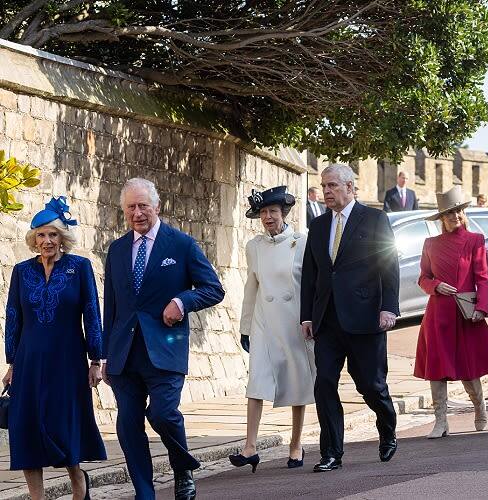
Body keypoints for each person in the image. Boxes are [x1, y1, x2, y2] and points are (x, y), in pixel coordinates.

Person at [102, 178, 225, 500]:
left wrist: (182, 302)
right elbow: (111, 306)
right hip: (124, 354)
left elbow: (213, 289)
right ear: (124, 211)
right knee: (128, 425)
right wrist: (102, 356)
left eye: (144, 206)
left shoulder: (181, 244)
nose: (138, 213)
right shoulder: (116, 250)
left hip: (165, 350)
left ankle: (182, 468)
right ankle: (145, 492)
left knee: (162, 414)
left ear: (157, 207)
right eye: (131, 207)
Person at [3, 197, 106, 500]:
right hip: (29, 360)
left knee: (65, 426)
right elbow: (13, 318)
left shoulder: (80, 267)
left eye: (53, 234)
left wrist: (96, 359)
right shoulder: (22, 272)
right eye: (41, 235)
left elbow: (92, 313)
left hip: (68, 360)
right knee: (26, 429)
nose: (47, 241)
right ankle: (37, 497)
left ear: (63, 238)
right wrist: (12, 363)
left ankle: (78, 482)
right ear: (33, 240)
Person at [300, 164, 400, 472]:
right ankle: (331, 452)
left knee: (370, 385)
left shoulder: (373, 219)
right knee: (324, 383)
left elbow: (388, 264)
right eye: (324, 186)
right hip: (327, 320)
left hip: (366, 316)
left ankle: (386, 426)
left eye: (332, 186)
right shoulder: (317, 226)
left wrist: (388, 307)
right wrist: (307, 316)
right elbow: (310, 275)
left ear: (350, 187)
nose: (327, 191)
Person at [415, 186, 488, 439]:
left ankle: (480, 408)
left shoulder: (475, 241)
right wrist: (435, 286)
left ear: (463, 213)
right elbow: (423, 278)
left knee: (469, 369)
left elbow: (483, 277)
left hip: (466, 314)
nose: (455, 216)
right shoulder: (430, 244)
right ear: (441, 219)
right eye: (449, 213)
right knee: (437, 368)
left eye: (458, 211)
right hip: (438, 315)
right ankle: (441, 421)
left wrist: (481, 307)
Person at [229, 186, 314, 472]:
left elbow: (310, 287)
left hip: (294, 322)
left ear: (284, 213)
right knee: (257, 381)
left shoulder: (301, 242)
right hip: (264, 321)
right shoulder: (254, 246)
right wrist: (245, 325)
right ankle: (250, 446)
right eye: (263, 212)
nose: (268, 217)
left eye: (273, 212)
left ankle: (296, 443)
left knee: (297, 381)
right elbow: (252, 286)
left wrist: (310, 319)